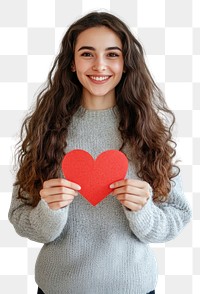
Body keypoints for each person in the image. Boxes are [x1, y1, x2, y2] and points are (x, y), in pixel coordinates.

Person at [8, 11, 192, 294]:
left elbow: (177, 217)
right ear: (71, 63)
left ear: (126, 63)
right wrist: (49, 211)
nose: (100, 65)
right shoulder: (47, 128)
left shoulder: (147, 131)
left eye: (112, 54)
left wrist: (143, 211)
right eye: (87, 54)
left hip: (134, 288)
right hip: (58, 288)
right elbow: (20, 217)